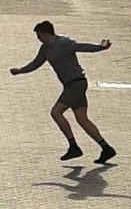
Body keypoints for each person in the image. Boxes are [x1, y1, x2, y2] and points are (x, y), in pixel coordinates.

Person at [10, 21, 116, 162]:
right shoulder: (45, 48)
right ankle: (106, 149)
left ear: (47, 33)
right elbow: (36, 63)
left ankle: (73, 147)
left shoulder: (64, 43)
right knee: (82, 119)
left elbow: (82, 47)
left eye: (39, 35)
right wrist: (20, 71)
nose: (38, 38)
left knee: (56, 112)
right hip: (71, 85)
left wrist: (101, 47)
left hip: (76, 84)